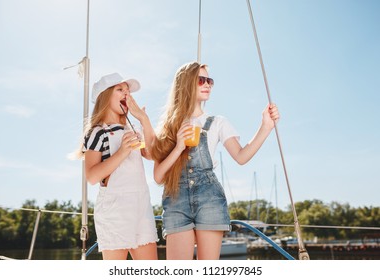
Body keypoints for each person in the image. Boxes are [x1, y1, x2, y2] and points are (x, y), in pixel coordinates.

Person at [151, 62, 280, 260]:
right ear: (186, 84)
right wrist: (178, 147)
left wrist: (266, 127)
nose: (208, 84)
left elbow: (241, 156)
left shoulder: (218, 122)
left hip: (209, 199)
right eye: (201, 80)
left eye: (209, 81)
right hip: (176, 200)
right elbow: (159, 177)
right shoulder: (169, 126)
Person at [73, 72, 158, 260]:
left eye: (127, 91)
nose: (126, 94)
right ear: (104, 97)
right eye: (120, 90)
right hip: (115, 211)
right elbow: (92, 176)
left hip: (141, 206)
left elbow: (152, 154)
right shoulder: (98, 132)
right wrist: (122, 152)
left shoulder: (133, 130)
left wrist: (144, 119)